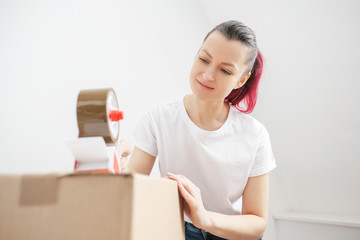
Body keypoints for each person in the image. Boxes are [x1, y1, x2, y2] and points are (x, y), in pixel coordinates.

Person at [125, 20, 276, 240]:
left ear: (240, 80)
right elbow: (131, 190)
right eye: (204, 59)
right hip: (177, 228)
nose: (207, 75)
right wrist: (117, 169)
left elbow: (257, 223)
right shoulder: (159, 117)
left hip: (230, 232)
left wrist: (204, 218)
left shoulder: (255, 134)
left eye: (225, 70)